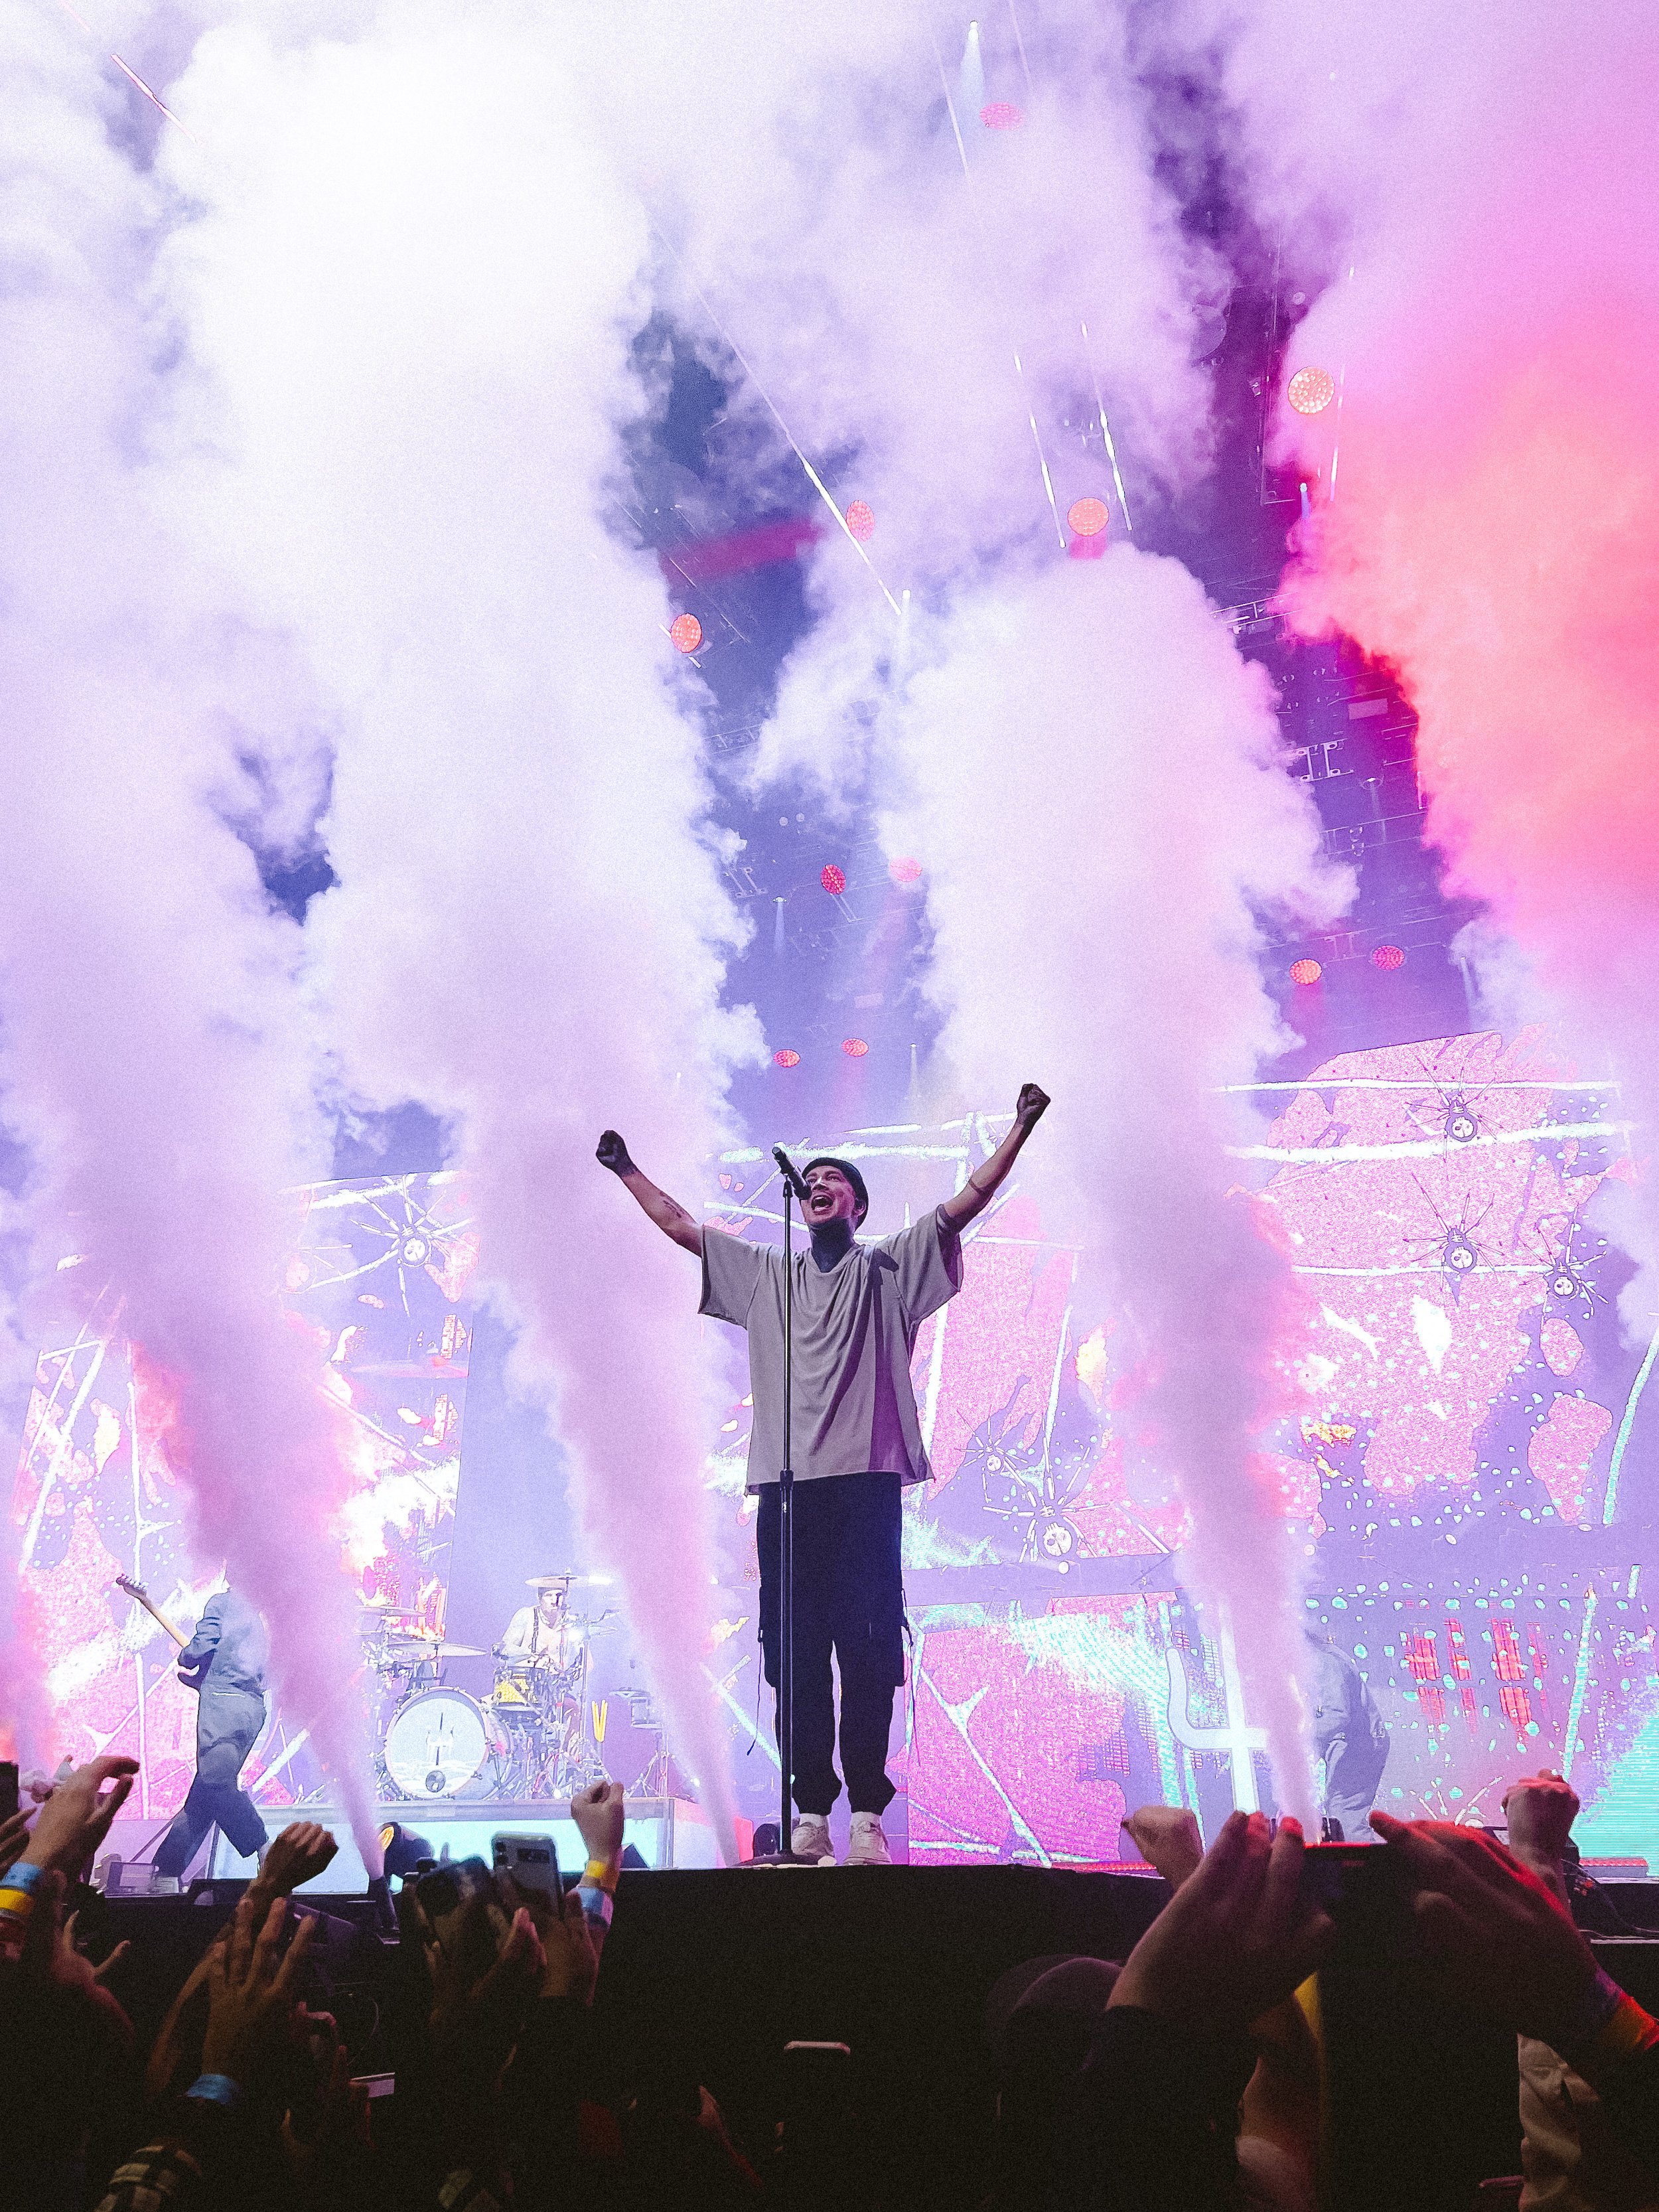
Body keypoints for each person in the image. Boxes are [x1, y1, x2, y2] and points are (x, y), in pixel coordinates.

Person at [597, 1082, 1050, 1864]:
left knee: (869, 1648)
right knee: (795, 1652)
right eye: (812, 1180)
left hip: (865, 1484)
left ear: (859, 1208)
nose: (819, 1185)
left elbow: (966, 1201)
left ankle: (869, 1813)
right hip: (787, 1490)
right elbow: (680, 1228)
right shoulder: (768, 1275)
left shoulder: (890, 1269)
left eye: (835, 1180)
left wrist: (1020, 1128)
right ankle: (810, 1808)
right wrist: (625, 1169)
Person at [151, 1582, 271, 1893]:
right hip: (252, 1709)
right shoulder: (266, 1613)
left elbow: (202, 1645)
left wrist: (187, 1657)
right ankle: (166, 1871)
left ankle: (262, 1845)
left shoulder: (224, 1602)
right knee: (206, 1791)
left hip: (223, 1705)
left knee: (216, 1784)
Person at [1303, 1630, 1390, 1842]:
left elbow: (1337, 1714)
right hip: (1356, 1745)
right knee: (1341, 1810)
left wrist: (1304, 1743)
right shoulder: (1324, 1659)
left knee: (1344, 1814)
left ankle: (1362, 1871)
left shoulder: (1324, 1662)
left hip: (1358, 1747)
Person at [499, 1576, 581, 1667]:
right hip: (523, 1678)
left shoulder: (572, 1623)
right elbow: (504, 1649)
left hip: (555, 1679)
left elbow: (587, 1663)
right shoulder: (526, 1615)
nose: (554, 1601)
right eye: (549, 1595)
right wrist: (529, 1653)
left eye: (559, 1595)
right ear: (539, 1598)